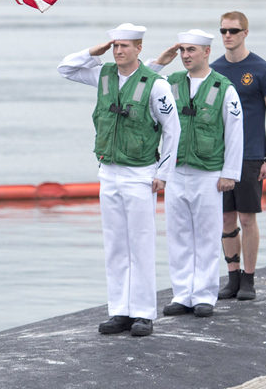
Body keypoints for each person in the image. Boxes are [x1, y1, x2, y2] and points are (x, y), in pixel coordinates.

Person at [58, 23, 180, 337]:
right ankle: (120, 310)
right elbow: (66, 68)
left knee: (140, 243)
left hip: (140, 173)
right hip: (108, 171)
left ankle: (142, 313)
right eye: (115, 45)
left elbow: (172, 130)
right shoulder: (103, 75)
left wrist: (163, 174)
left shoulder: (156, 84)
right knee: (115, 245)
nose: (118, 51)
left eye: (125, 46)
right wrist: (93, 51)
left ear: (139, 48)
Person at [149, 29, 243, 318]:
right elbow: (142, 81)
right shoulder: (170, 82)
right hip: (176, 171)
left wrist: (230, 173)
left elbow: (235, 132)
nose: (186, 56)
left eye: (192, 50)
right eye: (183, 50)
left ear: (206, 52)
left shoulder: (223, 87)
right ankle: (182, 293)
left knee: (205, 234)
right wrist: (161, 61)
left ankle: (204, 294)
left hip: (208, 172)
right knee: (177, 234)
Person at [209, 11, 266, 301]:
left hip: (251, 155)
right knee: (226, 219)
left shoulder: (263, 70)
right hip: (220, 156)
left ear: (245, 33)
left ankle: (249, 278)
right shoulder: (213, 71)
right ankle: (232, 276)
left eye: (233, 31)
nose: (228, 36)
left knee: (248, 218)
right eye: (224, 31)